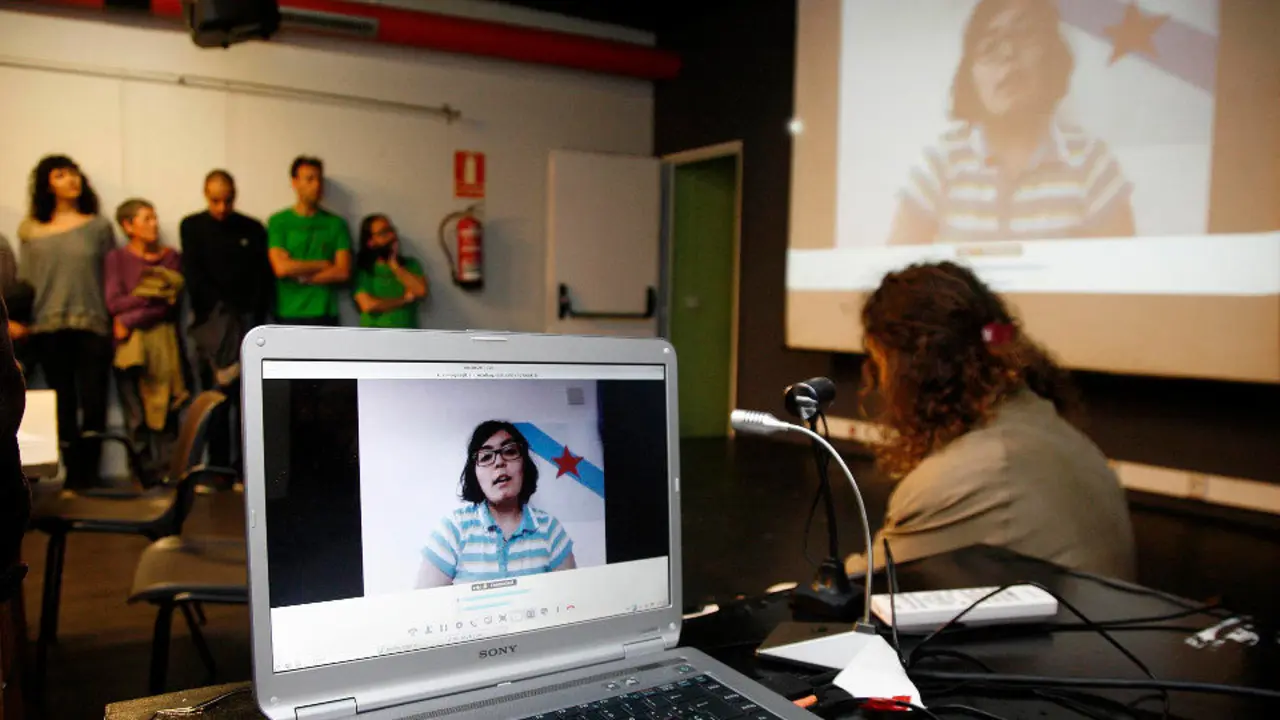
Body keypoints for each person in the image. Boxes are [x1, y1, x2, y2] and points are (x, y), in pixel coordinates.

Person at [844, 261, 1135, 580]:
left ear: (909, 370)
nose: (880, 383)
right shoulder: (1059, 433)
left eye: (879, 363)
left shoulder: (964, 477)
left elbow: (865, 589)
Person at [888, 0, 1134, 245]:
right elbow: (896, 276)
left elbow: (1126, 274)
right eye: (989, 45)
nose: (1007, 54)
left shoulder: (1091, 161)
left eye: (1024, 35)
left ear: (1050, 57)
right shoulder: (939, 162)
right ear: (970, 75)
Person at [17, 155, 115, 488]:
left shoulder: (99, 226)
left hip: (92, 323)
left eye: (75, 174)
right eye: (61, 175)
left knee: (93, 402)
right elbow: (26, 280)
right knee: (61, 404)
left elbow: (111, 277)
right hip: (46, 326)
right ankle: (72, 476)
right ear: (47, 184)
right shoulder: (30, 229)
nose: (71, 180)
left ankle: (90, 476)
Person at [181, 169, 271, 472]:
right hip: (212, 325)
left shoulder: (252, 228)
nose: (222, 207)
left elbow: (262, 278)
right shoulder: (193, 226)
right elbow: (194, 276)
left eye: (228, 200)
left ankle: (244, 468)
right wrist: (222, 315)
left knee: (247, 399)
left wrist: (252, 319)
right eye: (215, 200)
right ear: (206, 195)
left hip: (246, 323)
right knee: (215, 398)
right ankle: (217, 468)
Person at [418, 421, 577, 588]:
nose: (499, 462)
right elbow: (425, 606)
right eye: (486, 456)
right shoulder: (452, 530)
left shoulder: (550, 529)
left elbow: (571, 602)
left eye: (509, 451)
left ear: (524, 465)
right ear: (475, 474)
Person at [105, 199, 188, 483]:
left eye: (155, 218)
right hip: (129, 350)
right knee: (136, 416)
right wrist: (150, 292)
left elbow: (167, 304)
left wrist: (128, 320)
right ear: (128, 226)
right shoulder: (117, 259)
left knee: (165, 412)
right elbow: (114, 302)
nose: (154, 224)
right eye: (146, 219)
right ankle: (141, 478)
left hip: (164, 343)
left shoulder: (170, 257)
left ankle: (170, 477)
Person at [267, 156, 351, 326]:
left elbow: (343, 271)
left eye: (319, 179)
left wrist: (301, 275)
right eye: (309, 179)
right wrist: (324, 264)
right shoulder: (279, 222)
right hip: (288, 312)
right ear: (295, 182)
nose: (317, 185)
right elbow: (281, 268)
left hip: (324, 312)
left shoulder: (336, 224)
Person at [353, 214, 427, 328]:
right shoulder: (363, 269)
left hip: (408, 337)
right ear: (371, 242)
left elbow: (421, 291)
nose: (392, 236)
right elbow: (368, 305)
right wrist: (404, 300)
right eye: (384, 233)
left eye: (391, 230)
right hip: (374, 337)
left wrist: (395, 267)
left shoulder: (411, 264)